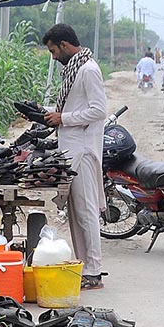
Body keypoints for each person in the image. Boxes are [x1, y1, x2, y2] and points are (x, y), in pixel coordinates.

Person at [41, 24, 107, 290]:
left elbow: (99, 110)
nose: (53, 56)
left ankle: (94, 270)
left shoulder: (88, 70)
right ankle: (84, 266)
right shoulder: (74, 70)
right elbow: (72, 107)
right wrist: (45, 114)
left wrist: (63, 118)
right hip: (71, 150)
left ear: (65, 45)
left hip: (84, 150)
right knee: (76, 213)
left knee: (87, 211)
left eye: (54, 51)